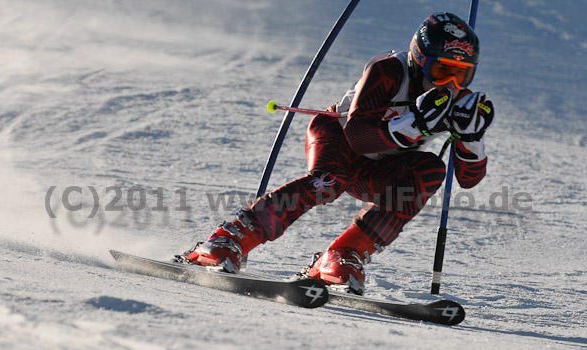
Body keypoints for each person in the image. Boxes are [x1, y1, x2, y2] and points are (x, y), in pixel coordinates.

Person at [178, 12, 494, 295]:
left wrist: (472, 137)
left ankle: (342, 256)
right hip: (338, 138)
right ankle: (226, 240)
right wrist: (416, 123)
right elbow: (357, 137)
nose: (451, 84)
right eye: (442, 70)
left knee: (431, 169)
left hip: (379, 169)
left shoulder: (456, 101)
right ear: (419, 58)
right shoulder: (388, 70)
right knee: (329, 181)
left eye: (462, 75)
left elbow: (467, 180)